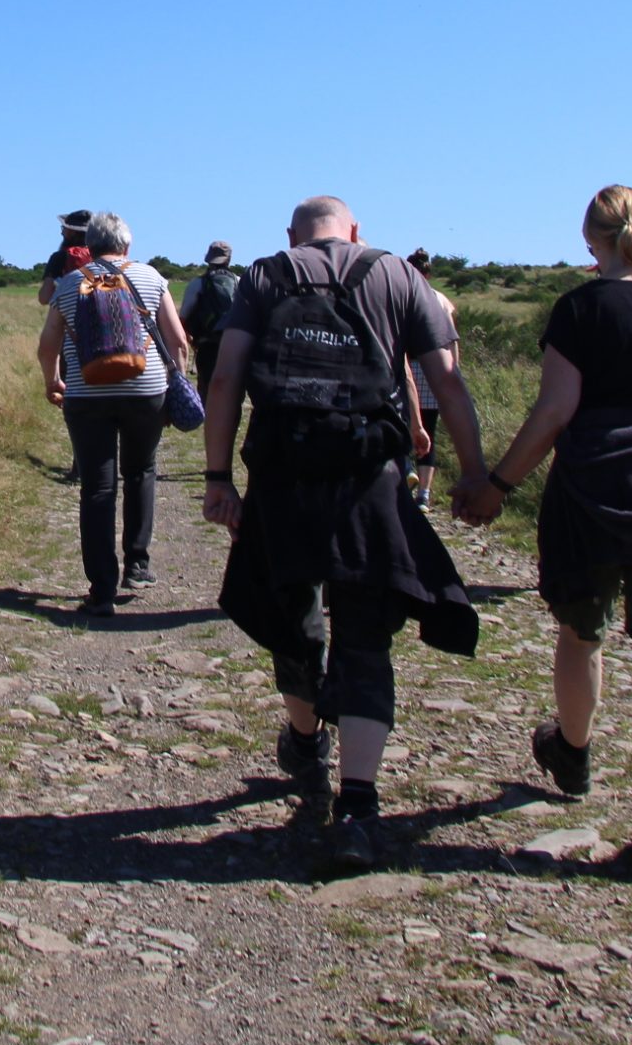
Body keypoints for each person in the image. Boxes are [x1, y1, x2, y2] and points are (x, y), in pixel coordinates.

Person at [461, 186, 632, 880]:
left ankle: (574, 753)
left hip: (595, 481)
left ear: (590, 237)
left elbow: (557, 409)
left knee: (581, 629)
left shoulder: (579, 309)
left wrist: (498, 485)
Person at [203, 195, 492, 872]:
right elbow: (447, 383)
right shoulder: (397, 274)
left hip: (284, 476)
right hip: (369, 479)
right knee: (364, 636)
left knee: (293, 614)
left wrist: (218, 477)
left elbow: (226, 378)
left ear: (292, 234)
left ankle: (306, 739)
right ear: (354, 230)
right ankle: (358, 808)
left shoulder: (265, 274)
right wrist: (477, 474)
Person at [39, 213, 191, 616]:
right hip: (146, 391)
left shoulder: (70, 283)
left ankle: (101, 590)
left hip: (86, 394)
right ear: (127, 245)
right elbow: (178, 341)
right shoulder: (151, 277)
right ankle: (137, 566)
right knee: (141, 471)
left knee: (97, 487)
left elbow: (47, 344)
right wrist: (177, 383)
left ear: (89, 247)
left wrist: (53, 381)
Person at [402, 249, 460, 509]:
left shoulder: (404, 295)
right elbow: (452, 339)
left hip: (408, 368)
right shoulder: (442, 300)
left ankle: (406, 471)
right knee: (429, 430)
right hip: (435, 371)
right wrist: (454, 372)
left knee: (404, 425)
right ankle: (424, 493)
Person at [180, 241, 241, 399]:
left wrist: (190, 340)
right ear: (229, 259)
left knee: (207, 390)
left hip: (206, 346)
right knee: (232, 391)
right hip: (234, 345)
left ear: (208, 259)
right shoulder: (240, 282)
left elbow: (182, 318)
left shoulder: (198, 283)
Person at [38, 210, 94, 307]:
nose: (62, 232)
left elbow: (44, 298)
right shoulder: (102, 256)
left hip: (69, 312)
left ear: (72, 232)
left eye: (64, 228)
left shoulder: (59, 257)